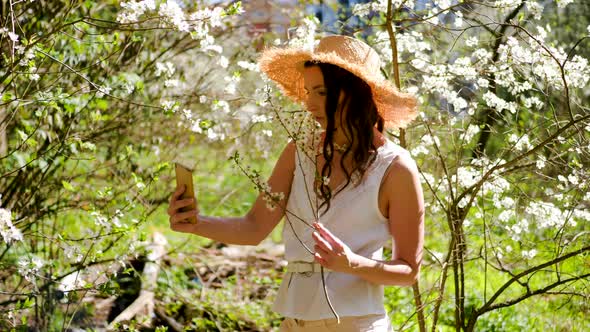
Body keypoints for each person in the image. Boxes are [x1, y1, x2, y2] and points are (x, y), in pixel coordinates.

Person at [168, 34, 424, 332]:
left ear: (355, 93)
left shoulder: (396, 168)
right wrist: (196, 223)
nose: (309, 103)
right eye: (308, 91)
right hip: (294, 323)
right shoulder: (298, 150)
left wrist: (351, 263)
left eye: (322, 92)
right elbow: (254, 228)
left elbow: (408, 270)